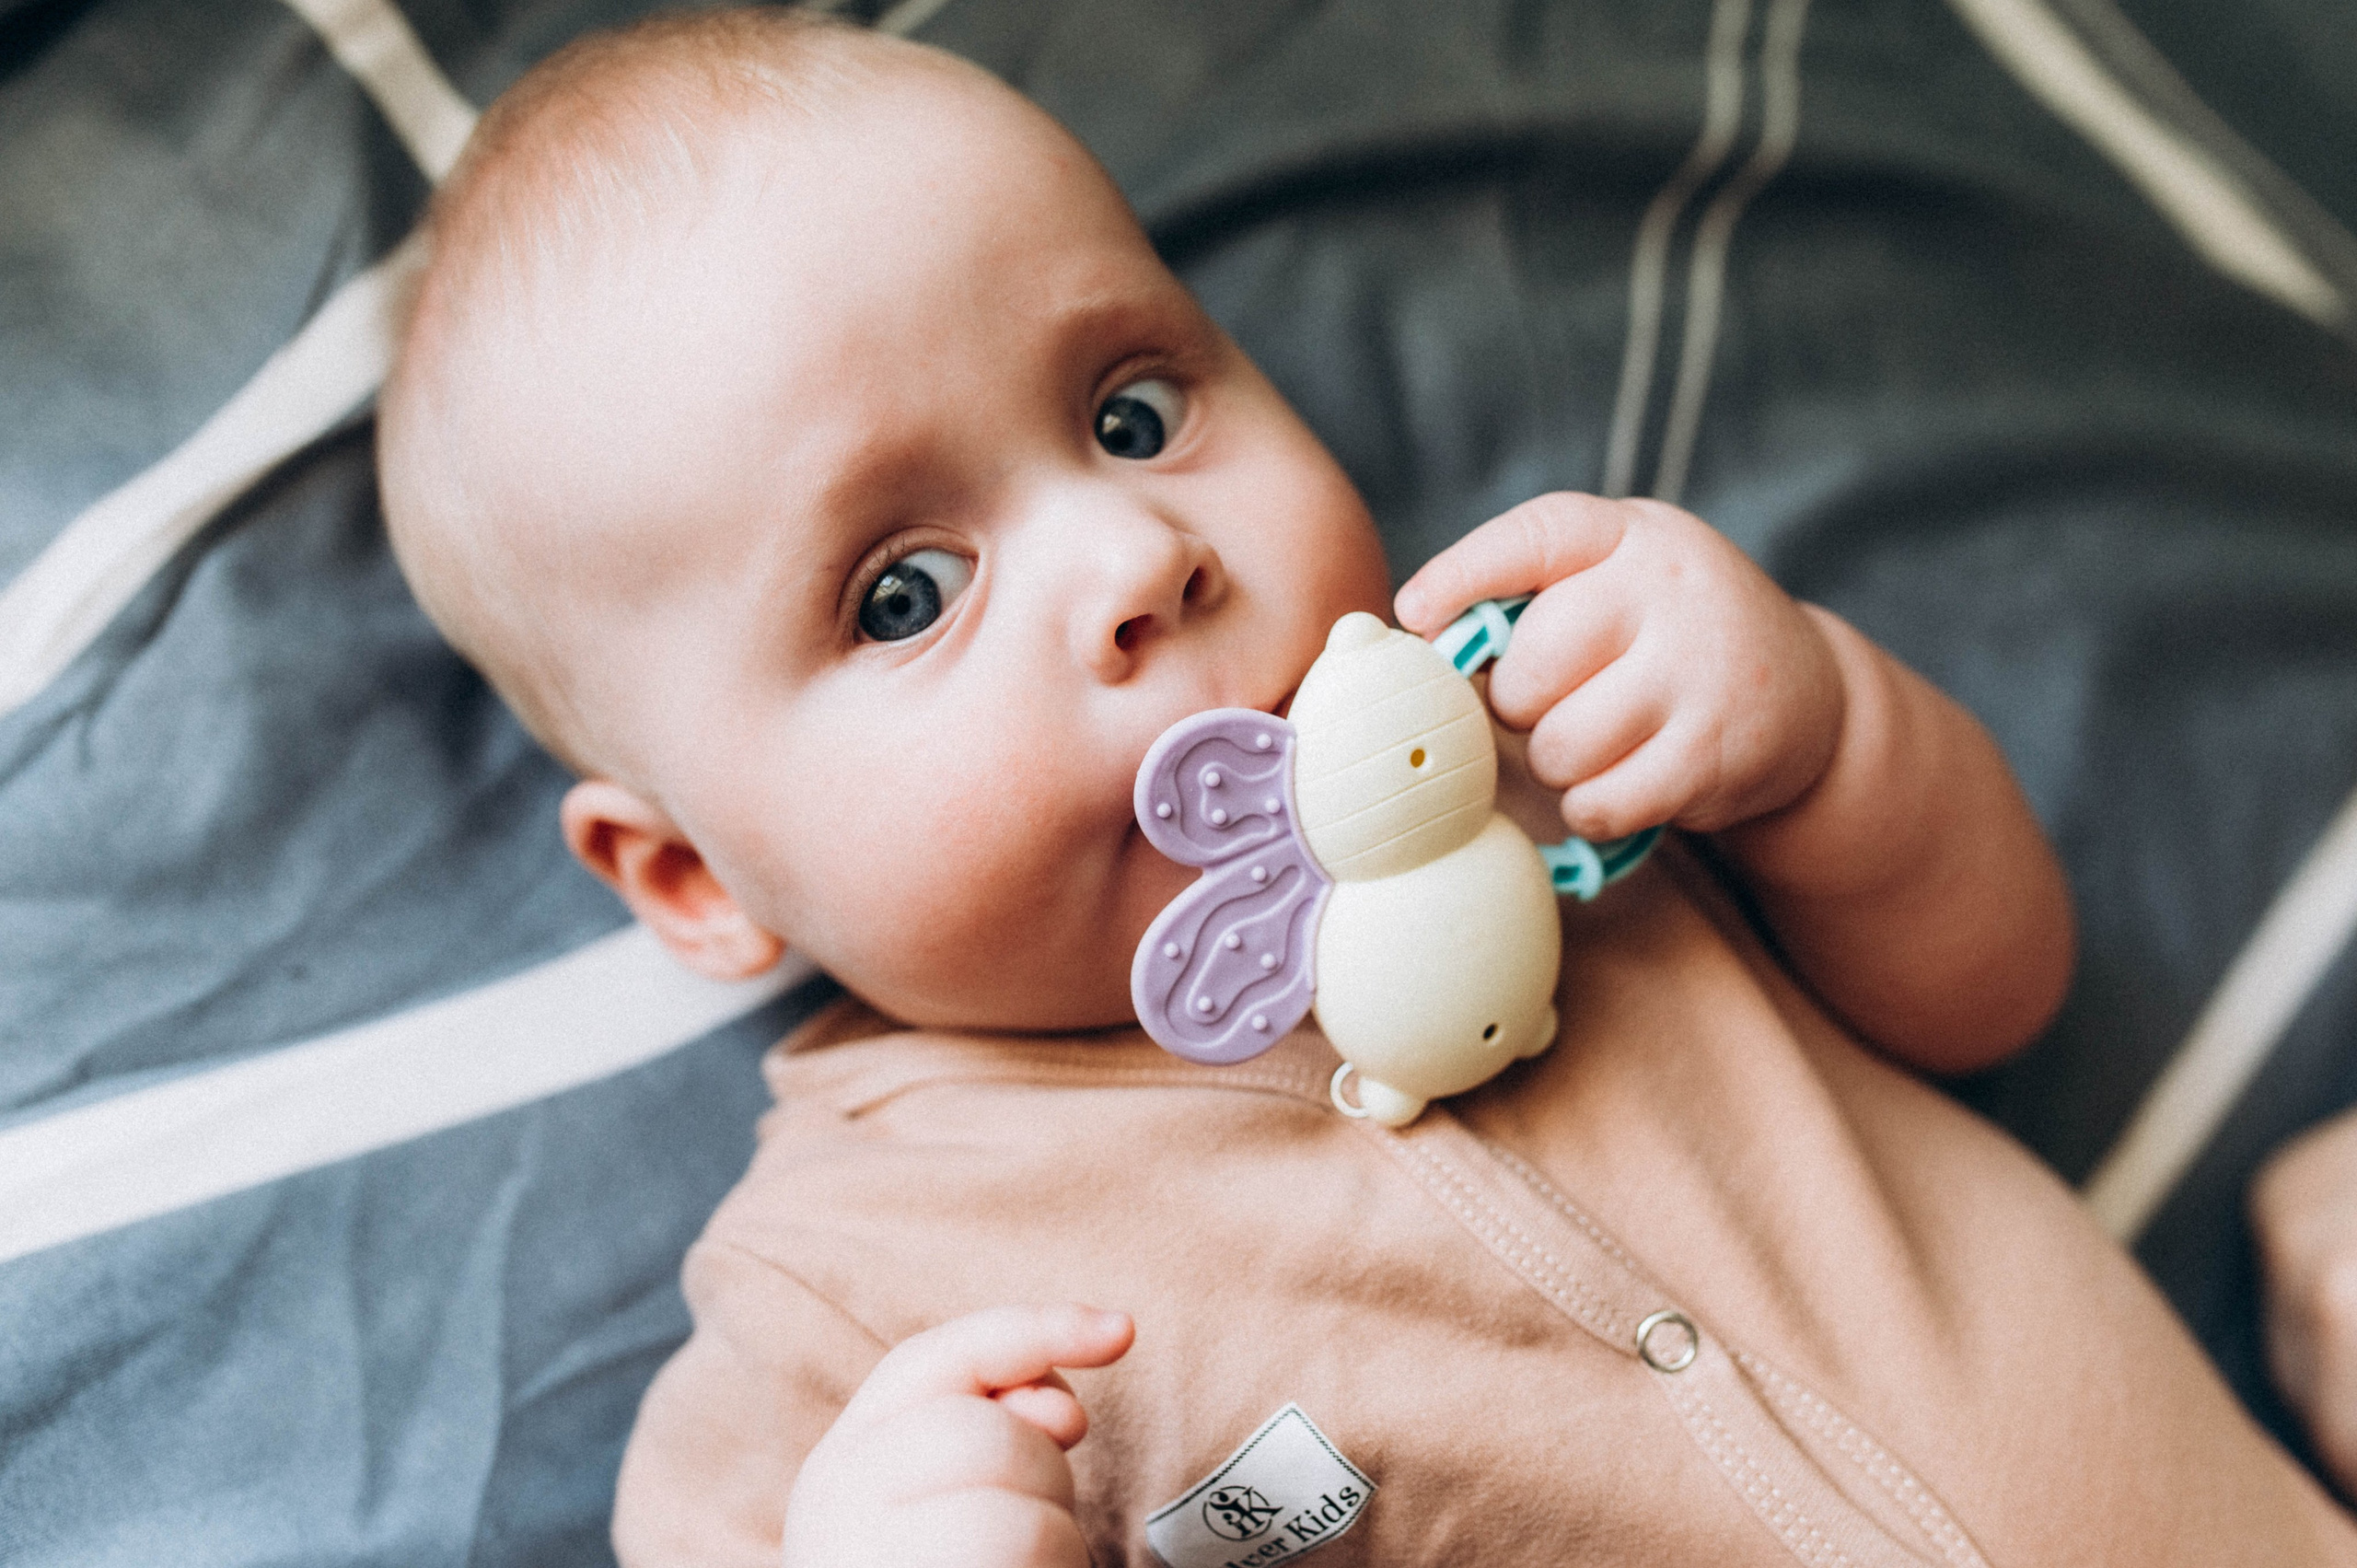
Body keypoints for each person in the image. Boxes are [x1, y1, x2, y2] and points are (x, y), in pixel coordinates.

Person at [375, 10, 2357, 1564]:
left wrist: (1824, 733)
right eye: (903, 593)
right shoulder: (851, 1316)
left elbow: (1990, 995)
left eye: (1130, 413)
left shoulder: (1551, 764)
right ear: (690, 878)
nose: (1131, 556)